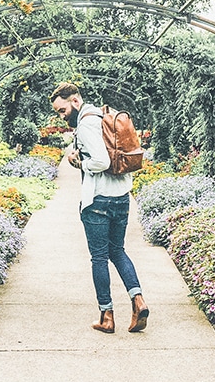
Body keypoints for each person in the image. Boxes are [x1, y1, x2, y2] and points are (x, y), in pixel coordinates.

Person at [49, 82, 149, 334]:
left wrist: (79, 164)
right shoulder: (105, 114)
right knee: (118, 251)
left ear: (74, 101)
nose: (62, 116)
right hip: (121, 197)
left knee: (99, 258)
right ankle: (138, 301)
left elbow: (101, 162)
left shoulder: (85, 124)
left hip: (98, 202)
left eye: (62, 111)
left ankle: (107, 316)